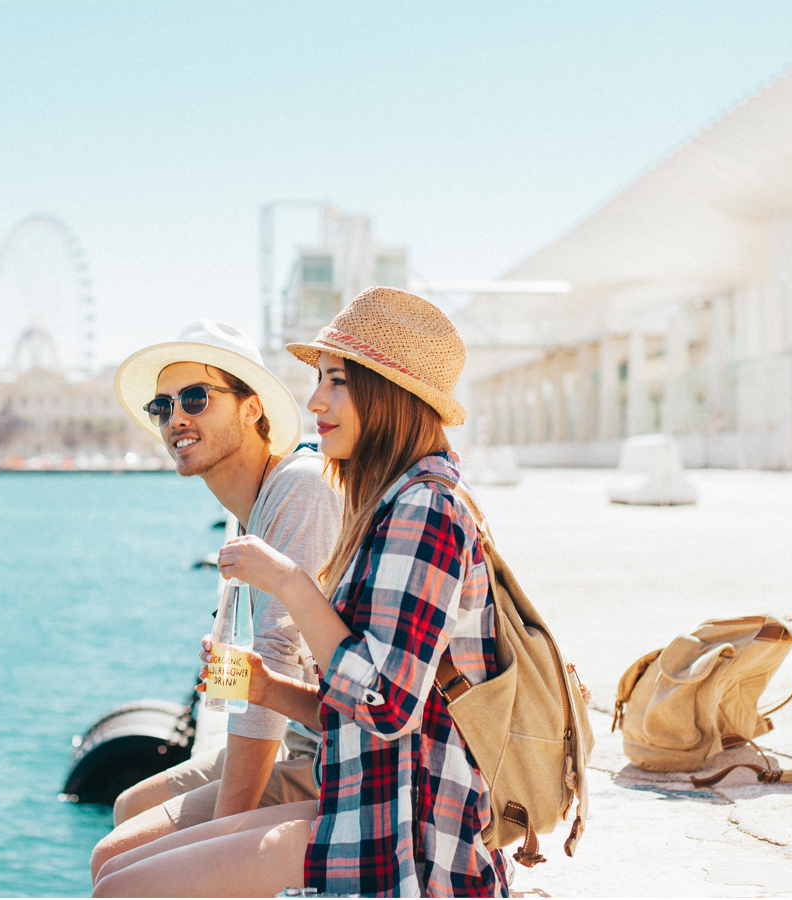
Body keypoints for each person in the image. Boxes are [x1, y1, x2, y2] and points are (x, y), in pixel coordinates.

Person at [94, 287, 509, 898]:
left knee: (119, 884)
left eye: (336, 381)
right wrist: (263, 686)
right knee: (120, 865)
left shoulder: (424, 509)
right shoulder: (393, 501)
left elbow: (387, 706)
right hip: (360, 790)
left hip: (405, 834)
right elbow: (363, 705)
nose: (314, 400)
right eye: (164, 406)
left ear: (387, 393)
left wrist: (286, 580)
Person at [90, 320, 341, 882]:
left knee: (112, 864)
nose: (176, 417)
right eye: (162, 406)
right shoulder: (248, 506)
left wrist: (219, 839)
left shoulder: (300, 489)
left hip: (330, 756)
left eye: (197, 398)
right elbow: (253, 666)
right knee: (128, 807)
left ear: (252, 409)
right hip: (304, 741)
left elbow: (275, 657)